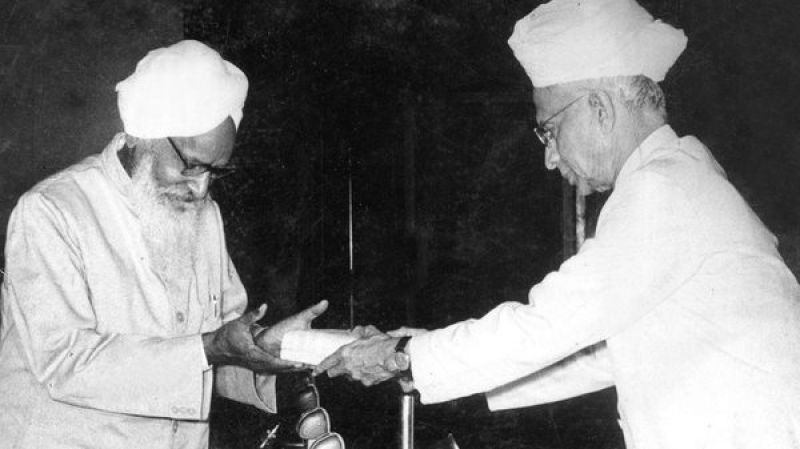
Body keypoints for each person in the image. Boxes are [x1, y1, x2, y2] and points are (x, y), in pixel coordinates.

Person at [314, 0, 800, 447]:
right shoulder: (682, 176)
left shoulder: (663, 188)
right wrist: (417, 352)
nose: (549, 158)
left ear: (599, 108)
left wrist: (403, 354)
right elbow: (597, 356)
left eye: (549, 129)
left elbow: (547, 325)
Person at [0, 40, 327, 449]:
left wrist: (271, 348)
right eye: (191, 165)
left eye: (215, 172)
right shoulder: (53, 212)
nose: (201, 187)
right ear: (142, 135)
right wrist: (211, 348)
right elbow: (65, 363)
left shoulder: (204, 216)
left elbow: (220, 347)